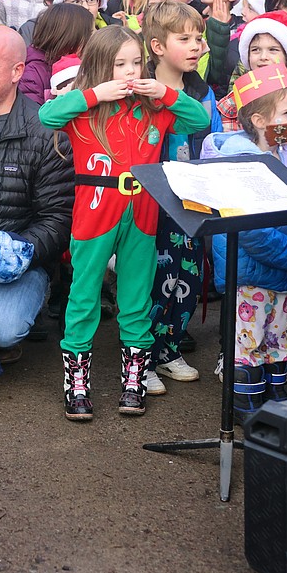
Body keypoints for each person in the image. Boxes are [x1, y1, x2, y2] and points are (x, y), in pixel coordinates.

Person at [39, 25, 209, 420]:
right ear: (101, 66)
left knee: (136, 298)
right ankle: (76, 384)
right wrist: (96, 93)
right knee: (83, 298)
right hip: (95, 214)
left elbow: (198, 119)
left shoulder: (156, 108)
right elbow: (47, 114)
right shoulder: (83, 109)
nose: (131, 72)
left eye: (136, 63)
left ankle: (134, 381)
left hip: (143, 215)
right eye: (120, 64)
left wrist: (163, 91)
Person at [202, 69, 287, 422]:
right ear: (257, 120)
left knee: (278, 332)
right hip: (250, 272)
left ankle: (275, 387)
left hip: (284, 268)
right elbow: (249, 231)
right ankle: (245, 398)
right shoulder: (239, 162)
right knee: (248, 338)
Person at [0, 26, 73, 354]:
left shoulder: (43, 132)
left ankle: (26, 306)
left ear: (17, 72)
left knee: (1, 330)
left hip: (16, 257)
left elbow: (57, 220)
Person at [144, 2, 221, 394]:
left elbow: (211, 139)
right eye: (184, 38)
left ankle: (170, 347)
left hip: (190, 203)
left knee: (187, 275)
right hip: (149, 203)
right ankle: (142, 357)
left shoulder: (202, 91)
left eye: (199, 38)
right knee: (152, 280)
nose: (196, 46)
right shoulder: (141, 88)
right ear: (157, 45)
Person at [18, 2, 94, 104]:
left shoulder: (86, 63)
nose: (94, 38)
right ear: (70, 37)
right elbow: (32, 115)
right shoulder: (33, 73)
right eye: (90, 33)